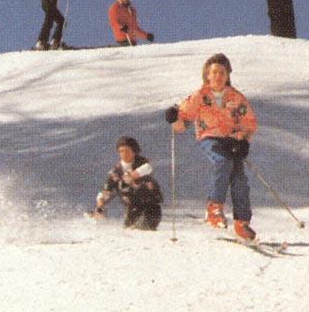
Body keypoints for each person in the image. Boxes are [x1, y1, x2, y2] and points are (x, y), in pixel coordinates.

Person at [165, 53, 258, 240]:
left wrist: (244, 141)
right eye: (214, 72)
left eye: (222, 72)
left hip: (232, 141)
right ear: (207, 75)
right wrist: (173, 118)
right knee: (223, 162)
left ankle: (242, 222)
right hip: (210, 137)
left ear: (228, 75)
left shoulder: (236, 97)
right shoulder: (200, 96)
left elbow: (249, 122)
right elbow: (181, 123)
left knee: (239, 178)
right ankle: (214, 208)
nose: (218, 76)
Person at [92, 136, 163, 230]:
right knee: (129, 232)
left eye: (127, 150)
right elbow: (105, 192)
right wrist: (100, 207)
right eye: (121, 151)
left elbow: (147, 168)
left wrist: (131, 175)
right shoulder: (115, 173)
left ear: (134, 151)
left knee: (144, 230)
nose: (124, 154)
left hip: (150, 207)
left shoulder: (141, 164)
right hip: (132, 208)